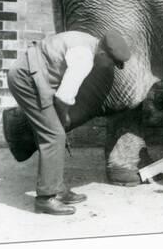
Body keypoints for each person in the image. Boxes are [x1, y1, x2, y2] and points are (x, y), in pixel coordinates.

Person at [7, 30, 131, 215]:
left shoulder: (90, 40)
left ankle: (57, 188)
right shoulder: (84, 58)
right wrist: (63, 119)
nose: (110, 67)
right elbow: (63, 99)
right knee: (54, 135)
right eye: (112, 63)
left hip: (34, 75)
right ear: (104, 54)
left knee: (54, 132)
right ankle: (46, 199)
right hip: (27, 78)